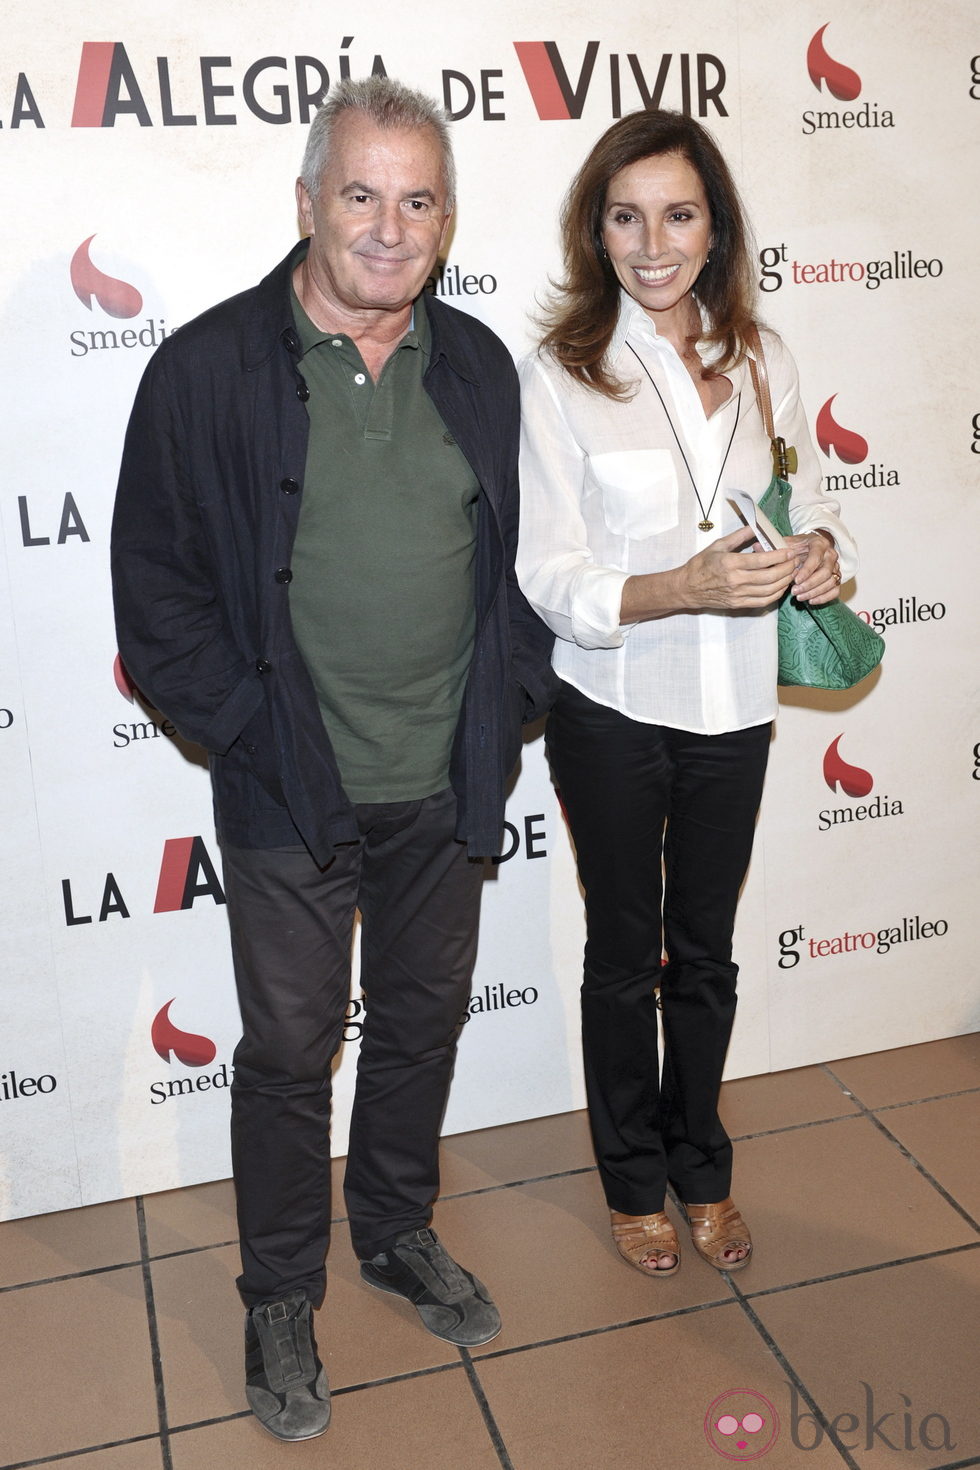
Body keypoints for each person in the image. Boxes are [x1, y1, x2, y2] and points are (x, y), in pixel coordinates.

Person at [111, 76, 555, 1442]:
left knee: (421, 1022)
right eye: (359, 193)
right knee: (293, 1048)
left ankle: (397, 1230)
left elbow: (534, 569)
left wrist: (513, 700)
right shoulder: (206, 368)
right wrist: (248, 732)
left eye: (417, 198)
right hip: (287, 783)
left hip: (447, 777)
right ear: (307, 202)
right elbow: (157, 587)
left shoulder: (479, 363)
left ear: (447, 216)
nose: (387, 225)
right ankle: (278, 1293)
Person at [517, 109, 856, 1280]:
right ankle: (627, 1180)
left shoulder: (762, 354)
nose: (650, 243)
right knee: (624, 954)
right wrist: (679, 585)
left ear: (713, 227)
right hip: (610, 704)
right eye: (624, 216)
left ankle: (698, 1166)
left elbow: (803, 498)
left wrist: (818, 552)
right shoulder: (561, 371)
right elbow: (547, 572)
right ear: (593, 230)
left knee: (703, 953)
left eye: (676, 214)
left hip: (736, 706)